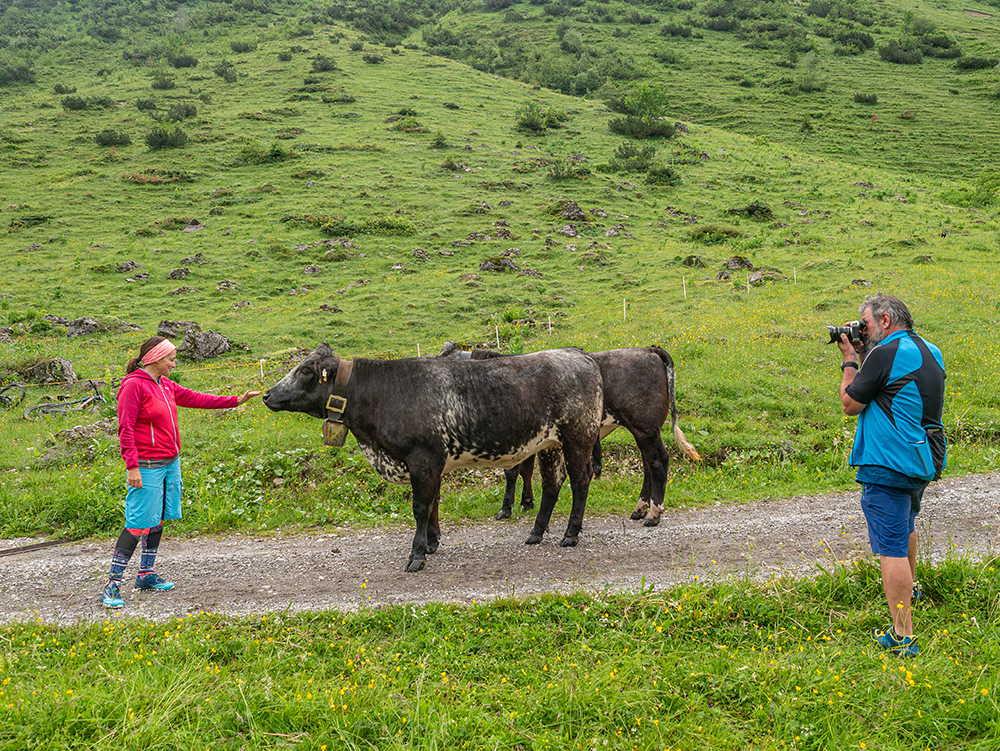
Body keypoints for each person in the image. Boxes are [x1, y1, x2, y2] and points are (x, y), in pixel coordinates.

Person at [102, 336, 261, 609]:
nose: (174, 363)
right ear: (155, 359)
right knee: (137, 523)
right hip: (147, 466)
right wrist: (132, 466)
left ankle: (146, 575)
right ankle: (112, 585)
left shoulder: (165, 385)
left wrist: (235, 400)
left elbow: (195, 398)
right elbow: (125, 429)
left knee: (158, 519)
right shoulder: (133, 386)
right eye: (171, 358)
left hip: (169, 463)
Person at [836, 294, 946, 657]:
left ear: (884, 321)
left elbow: (850, 403)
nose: (862, 331)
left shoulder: (884, 353)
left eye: (864, 324)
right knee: (907, 527)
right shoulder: (931, 350)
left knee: (890, 548)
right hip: (922, 460)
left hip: (888, 462)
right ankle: (909, 598)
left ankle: (903, 636)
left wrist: (850, 359)